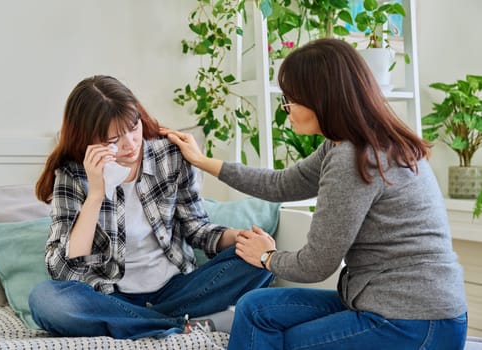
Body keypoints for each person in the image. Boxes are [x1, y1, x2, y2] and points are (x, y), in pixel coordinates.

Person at [161, 39, 468, 349]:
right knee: (256, 308)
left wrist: (266, 256)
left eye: (291, 99)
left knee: (287, 342)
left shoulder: (355, 157)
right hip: (392, 307)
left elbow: (315, 265)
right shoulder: (345, 144)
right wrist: (202, 161)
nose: (286, 109)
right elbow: (280, 184)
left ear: (320, 98)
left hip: (415, 321)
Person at [29, 75, 273, 340]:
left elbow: (197, 229)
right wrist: (96, 193)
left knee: (263, 261)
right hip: (111, 298)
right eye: (114, 139)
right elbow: (65, 273)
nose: (131, 144)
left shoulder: (169, 155)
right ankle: (179, 326)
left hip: (178, 290)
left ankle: (146, 323)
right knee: (46, 300)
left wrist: (237, 238)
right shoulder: (73, 175)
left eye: (133, 128)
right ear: (89, 139)